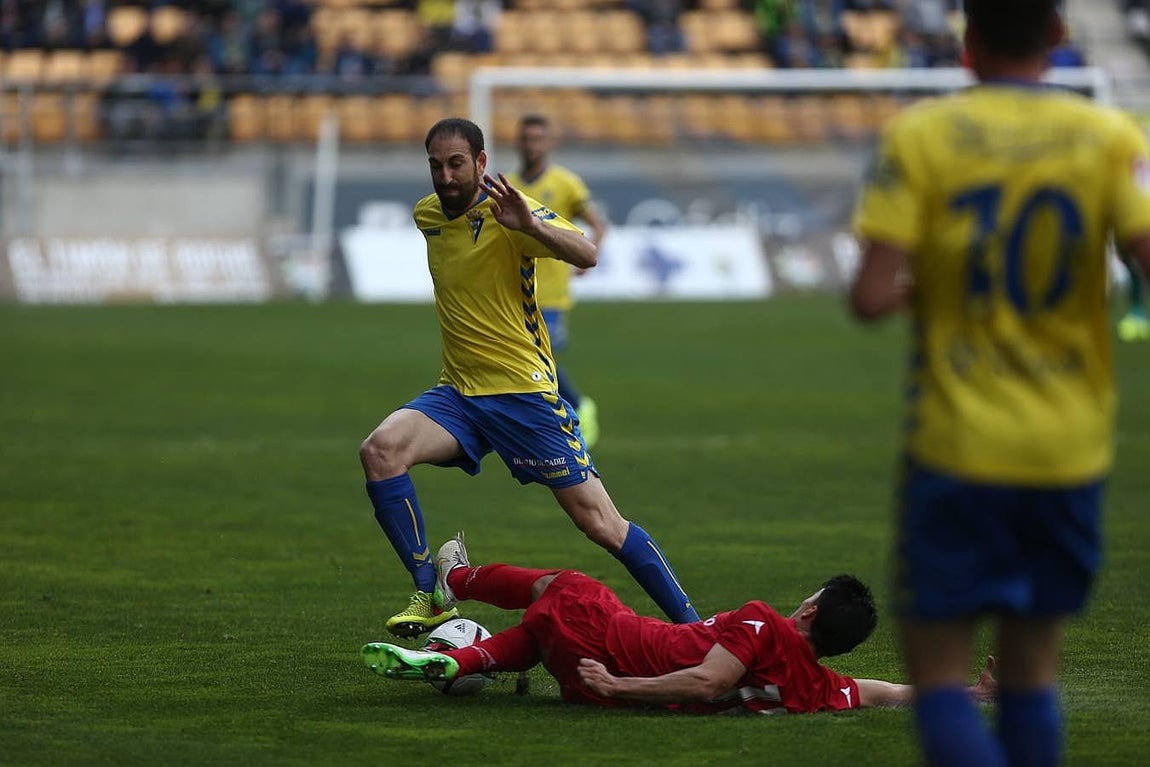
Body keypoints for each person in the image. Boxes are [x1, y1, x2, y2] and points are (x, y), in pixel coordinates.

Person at [849, 1, 1150, 765]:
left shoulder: (923, 134)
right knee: (1029, 672)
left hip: (958, 443)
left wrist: (943, 281)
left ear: (966, 41)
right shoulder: (1110, 136)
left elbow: (871, 297)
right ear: (1056, 37)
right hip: (1068, 446)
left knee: (942, 677)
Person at [360, 118, 698, 640]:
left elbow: (588, 251)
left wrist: (531, 226)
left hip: (523, 396)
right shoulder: (427, 215)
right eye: (436, 165)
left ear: (481, 163)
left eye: (456, 164)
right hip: (459, 393)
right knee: (381, 450)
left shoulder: (508, 212)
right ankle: (430, 591)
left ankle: (695, 628)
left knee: (601, 525)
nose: (445, 176)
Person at [362, 534, 997, 713]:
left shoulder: (760, 623)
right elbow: (882, 692)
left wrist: (619, 686)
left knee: (562, 587)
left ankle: (456, 581)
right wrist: (965, 692)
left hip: (617, 653)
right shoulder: (816, 687)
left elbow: (707, 683)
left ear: (807, 612)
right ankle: (460, 662)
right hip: (588, 681)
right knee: (538, 638)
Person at [506, 114, 610, 447]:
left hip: (551, 292)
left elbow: (598, 224)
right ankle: (548, 418)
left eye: (538, 138)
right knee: (521, 359)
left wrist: (585, 261)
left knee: (538, 358)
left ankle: (577, 407)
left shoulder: (566, 183)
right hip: (513, 291)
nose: (532, 144)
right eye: (526, 138)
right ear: (518, 142)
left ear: (549, 142)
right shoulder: (507, 184)